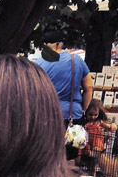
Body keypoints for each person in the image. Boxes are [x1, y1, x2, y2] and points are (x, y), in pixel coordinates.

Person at [35, 30, 94, 159]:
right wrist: (83, 109)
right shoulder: (76, 60)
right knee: (70, 155)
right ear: (60, 44)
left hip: (47, 115)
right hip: (73, 114)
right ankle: (67, 176)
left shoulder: (38, 65)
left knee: (48, 154)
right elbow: (89, 87)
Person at [80, 98, 118, 177]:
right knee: (88, 165)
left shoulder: (99, 122)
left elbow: (112, 127)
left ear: (99, 113)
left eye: (95, 115)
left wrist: (113, 126)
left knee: (96, 167)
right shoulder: (84, 123)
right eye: (90, 114)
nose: (93, 117)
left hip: (98, 147)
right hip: (87, 147)